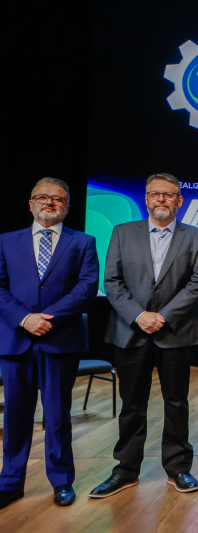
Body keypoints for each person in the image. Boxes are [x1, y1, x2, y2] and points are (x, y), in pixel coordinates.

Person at [91, 173, 198, 498]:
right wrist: (139, 315)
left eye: (168, 195)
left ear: (179, 200)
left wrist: (164, 316)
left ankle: (178, 468)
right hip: (131, 331)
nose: (161, 200)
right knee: (131, 404)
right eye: (155, 194)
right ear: (146, 198)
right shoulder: (121, 232)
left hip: (176, 332)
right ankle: (126, 470)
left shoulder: (196, 237)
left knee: (176, 402)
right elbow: (112, 282)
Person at [0, 178, 99, 509]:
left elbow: (86, 288)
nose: (50, 203)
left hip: (60, 341)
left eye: (58, 199)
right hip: (16, 341)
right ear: (30, 203)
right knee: (15, 417)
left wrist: (47, 318)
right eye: (43, 197)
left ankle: (61, 481)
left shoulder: (83, 242)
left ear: (67, 207)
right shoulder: (6, 241)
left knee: (57, 416)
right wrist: (25, 319)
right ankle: (11, 482)